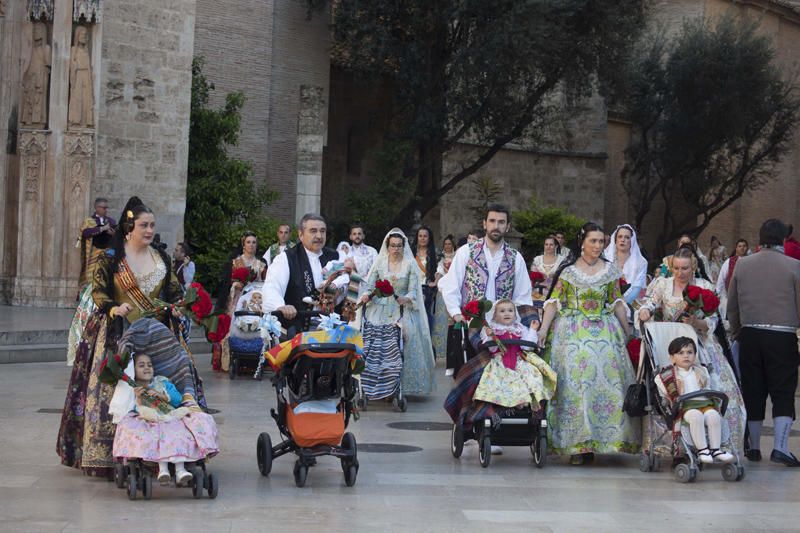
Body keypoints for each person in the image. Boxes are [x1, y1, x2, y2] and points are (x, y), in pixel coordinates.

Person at [57, 197, 189, 477]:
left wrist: (177, 308)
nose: (150, 230)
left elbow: (174, 292)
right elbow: (98, 291)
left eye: (152, 225)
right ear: (129, 227)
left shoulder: (161, 258)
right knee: (116, 393)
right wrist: (114, 307)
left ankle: (166, 452)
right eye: (144, 225)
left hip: (157, 335)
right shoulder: (110, 258)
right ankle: (112, 454)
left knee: (161, 389)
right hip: (118, 332)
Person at [537, 222, 639, 464]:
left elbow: (616, 302)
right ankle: (578, 445)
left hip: (605, 328)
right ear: (582, 242)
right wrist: (543, 329)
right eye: (593, 241)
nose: (597, 245)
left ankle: (610, 438)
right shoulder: (569, 271)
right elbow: (553, 302)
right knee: (578, 374)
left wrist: (628, 330)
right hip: (572, 329)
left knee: (610, 372)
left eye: (601, 242)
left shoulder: (611, 270)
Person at [638, 246, 746, 456]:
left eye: (685, 268)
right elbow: (650, 302)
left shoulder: (705, 286)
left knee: (714, 386)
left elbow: (715, 319)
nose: (681, 273)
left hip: (701, 345)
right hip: (673, 345)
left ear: (693, 267)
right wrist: (644, 310)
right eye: (677, 268)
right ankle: (677, 446)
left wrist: (698, 322)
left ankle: (716, 444)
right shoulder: (662, 284)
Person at [727, 219, 800, 466]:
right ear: (783, 239)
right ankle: (780, 447)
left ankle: (754, 447)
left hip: (750, 334)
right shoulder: (794, 266)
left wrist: (738, 331)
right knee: (783, 390)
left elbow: (732, 305)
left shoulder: (743, 265)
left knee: (753, 390)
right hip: (783, 335)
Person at [439, 204, 534, 375]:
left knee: (502, 383)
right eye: (492, 221)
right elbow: (451, 285)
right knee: (469, 382)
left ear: (508, 226)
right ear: (484, 224)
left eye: (501, 222)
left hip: (503, 330)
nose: (496, 226)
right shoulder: (466, 252)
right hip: (470, 327)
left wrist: (523, 327)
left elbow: (523, 296)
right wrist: (456, 313)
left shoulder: (515, 257)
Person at [111, 353, 219, 485]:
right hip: (151, 419)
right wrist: (139, 398)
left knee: (177, 435)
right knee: (158, 437)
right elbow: (133, 408)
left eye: (149, 365)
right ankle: (163, 470)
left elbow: (178, 399)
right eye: (141, 365)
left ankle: (180, 470)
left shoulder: (161, 382)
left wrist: (162, 396)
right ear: (133, 370)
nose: (147, 368)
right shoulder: (132, 389)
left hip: (170, 417)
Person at [359, 229, 435, 399]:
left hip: (401, 308)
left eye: (399, 246)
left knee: (405, 335)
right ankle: (374, 380)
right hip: (379, 307)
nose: (396, 249)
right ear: (388, 246)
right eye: (393, 245)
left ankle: (398, 383)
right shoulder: (380, 263)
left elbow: (414, 291)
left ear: (403, 246)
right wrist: (366, 295)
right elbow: (370, 286)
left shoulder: (410, 265)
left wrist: (406, 298)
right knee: (372, 338)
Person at [654, 337, 735, 464]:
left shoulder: (701, 371)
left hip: (705, 403)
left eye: (689, 352)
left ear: (695, 355)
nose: (686, 356)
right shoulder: (666, 377)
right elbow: (666, 396)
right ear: (672, 357)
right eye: (681, 353)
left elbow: (708, 388)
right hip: (685, 407)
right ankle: (702, 450)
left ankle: (715, 449)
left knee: (714, 416)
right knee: (696, 416)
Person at [262, 213, 348, 331]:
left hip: (332, 331)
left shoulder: (337, 257)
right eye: (313, 231)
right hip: (298, 331)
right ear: (301, 234)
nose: (319, 236)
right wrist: (280, 306)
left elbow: (348, 284)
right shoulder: (286, 258)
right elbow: (272, 286)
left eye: (322, 231)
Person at [473, 299, 555, 409]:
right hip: (500, 361)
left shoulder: (520, 329)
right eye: (502, 311)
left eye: (510, 310)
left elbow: (527, 346)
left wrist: (532, 330)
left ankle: (524, 398)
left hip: (519, 360)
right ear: (495, 316)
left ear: (515, 315)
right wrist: (490, 336)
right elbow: (491, 349)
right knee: (501, 379)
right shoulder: (493, 329)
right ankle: (510, 401)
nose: (507, 313)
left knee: (529, 376)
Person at [68, 198, 116, 366]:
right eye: (103, 207)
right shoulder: (90, 221)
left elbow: (118, 234)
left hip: (107, 255)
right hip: (94, 255)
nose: (106, 210)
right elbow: (86, 233)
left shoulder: (111, 221)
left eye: (106, 207)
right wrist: (101, 229)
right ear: (97, 208)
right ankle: (87, 302)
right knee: (90, 282)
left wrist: (111, 232)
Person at [213, 231, 267, 372]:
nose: (251, 245)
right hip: (236, 300)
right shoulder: (235, 262)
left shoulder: (261, 264)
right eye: (248, 242)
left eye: (254, 242)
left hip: (255, 300)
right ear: (243, 245)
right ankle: (230, 359)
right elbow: (227, 284)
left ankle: (254, 359)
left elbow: (265, 283)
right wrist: (237, 285)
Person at [603, 224, 648, 306]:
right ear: (615, 240)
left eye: (627, 237)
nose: (622, 240)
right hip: (606, 302)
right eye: (620, 237)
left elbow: (637, 288)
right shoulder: (604, 258)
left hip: (632, 303)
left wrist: (624, 304)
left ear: (632, 241)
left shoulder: (641, 262)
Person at [432, 235, 457, 360]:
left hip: (454, 287)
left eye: (449, 244)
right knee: (441, 318)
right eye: (445, 244)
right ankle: (440, 349)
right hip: (442, 289)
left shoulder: (458, 255)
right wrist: (435, 282)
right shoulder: (440, 257)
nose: (447, 246)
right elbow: (439, 270)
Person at [412, 226, 439, 333]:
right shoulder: (411, 253)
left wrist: (435, 282)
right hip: (412, 287)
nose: (422, 238)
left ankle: (427, 339)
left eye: (425, 236)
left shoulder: (435, 253)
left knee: (425, 313)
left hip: (427, 288)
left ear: (429, 238)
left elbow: (440, 270)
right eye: (420, 236)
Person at [342, 224, 378, 297]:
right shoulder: (345, 252)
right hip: (349, 289)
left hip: (367, 289)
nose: (357, 236)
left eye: (359, 234)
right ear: (350, 237)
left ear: (363, 236)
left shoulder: (372, 251)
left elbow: (377, 269)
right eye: (354, 234)